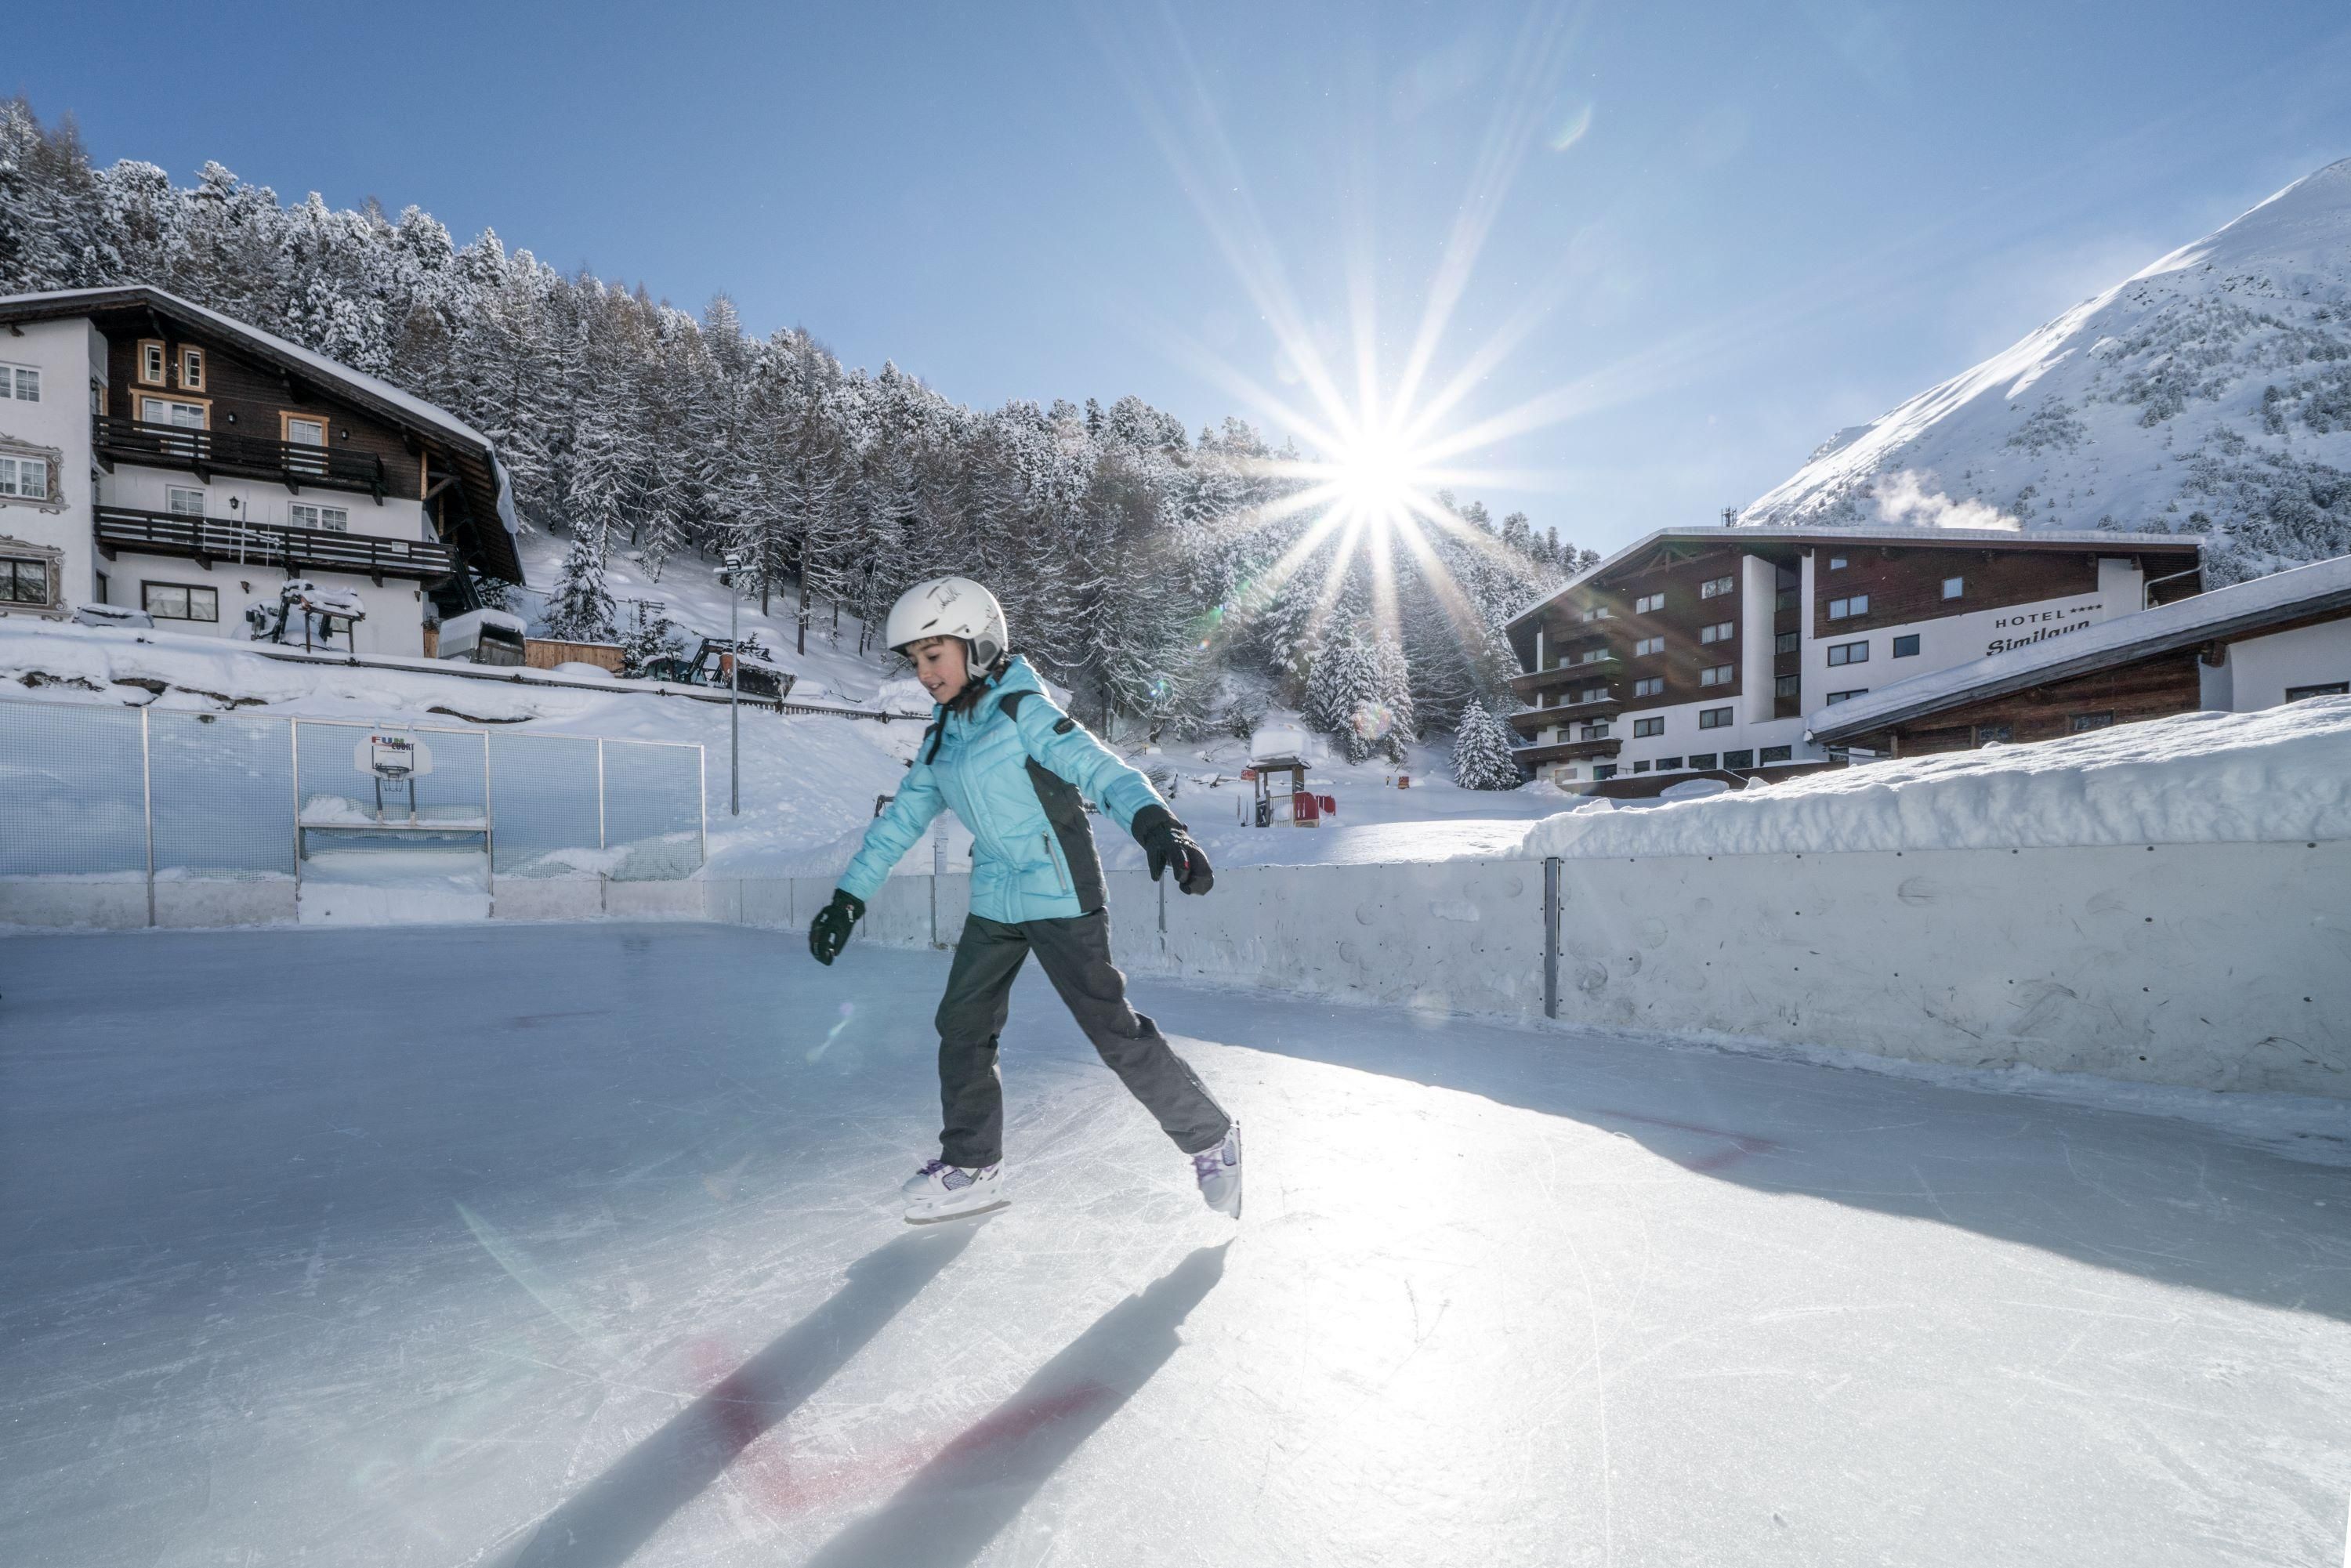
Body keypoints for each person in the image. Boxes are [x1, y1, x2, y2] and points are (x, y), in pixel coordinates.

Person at [807, 576, 1241, 1224]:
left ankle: (1212, 1137)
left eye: (933, 656)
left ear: (978, 644)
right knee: (962, 1023)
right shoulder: (942, 736)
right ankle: (972, 1164)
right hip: (996, 896)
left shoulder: (1024, 710)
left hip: (1060, 890)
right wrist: (848, 898)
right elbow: (900, 820)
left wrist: (1159, 824)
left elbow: (1101, 769)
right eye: (916, 662)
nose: (924, 674)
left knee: (1111, 1030)